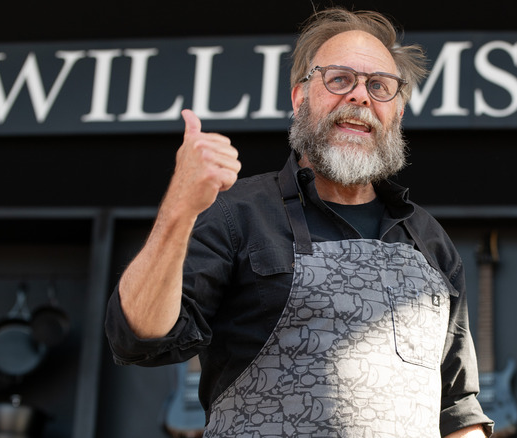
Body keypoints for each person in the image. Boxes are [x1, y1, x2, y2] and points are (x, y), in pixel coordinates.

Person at [105, 7, 493, 438]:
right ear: (299, 97)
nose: (361, 97)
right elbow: (138, 338)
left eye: (379, 86)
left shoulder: (430, 241)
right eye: (340, 79)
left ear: (397, 111)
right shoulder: (239, 214)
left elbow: (456, 408)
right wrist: (178, 210)